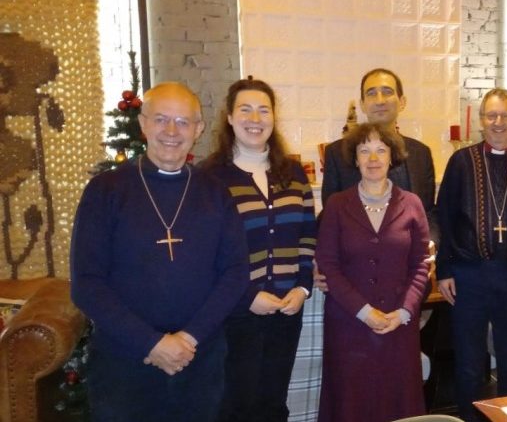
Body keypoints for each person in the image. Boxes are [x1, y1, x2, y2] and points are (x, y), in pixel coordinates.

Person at [70, 82, 249, 421]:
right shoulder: (105, 190)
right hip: (125, 362)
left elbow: (236, 273)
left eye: (183, 122)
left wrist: (188, 339)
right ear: (143, 124)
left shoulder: (215, 193)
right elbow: (87, 283)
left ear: (198, 130)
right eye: (161, 119)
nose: (171, 131)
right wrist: (151, 343)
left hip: (200, 358)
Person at [200, 77, 316, 422]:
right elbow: (205, 251)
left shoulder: (293, 173)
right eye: (245, 109)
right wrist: (246, 296)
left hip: (286, 311)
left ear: (273, 118)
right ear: (230, 118)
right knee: (235, 407)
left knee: (273, 405)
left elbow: (307, 235)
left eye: (264, 110)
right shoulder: (211, 177)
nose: (255, 118)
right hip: (234, 315)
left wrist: (302, 287)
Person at [436, 88, 507, 422]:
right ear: (482, 120)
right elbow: (444, 217)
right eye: (492, 116)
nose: (498, 123)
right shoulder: (461, 161)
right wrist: (444, 270)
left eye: (506, 116)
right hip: (469, 276)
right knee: (470, 365)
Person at [316, 122, 430, 422]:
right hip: (349, 325)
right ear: (354, 159)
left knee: (398, 402)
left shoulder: (412, 204)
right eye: (364, 151)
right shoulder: (337, 206)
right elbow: (327, 263)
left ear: (392, 157)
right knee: (352, 403)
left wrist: (404, 312)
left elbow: (421, 264)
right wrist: (364, 311)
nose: (373, 158)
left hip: (398, 325)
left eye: (381, 150)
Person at [320, 68, 436, 234]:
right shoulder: (336, 153)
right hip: (356, 255)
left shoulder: (421, 153)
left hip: (409, 254)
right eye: (371, 93)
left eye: (387, 92)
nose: (380, 101)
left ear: (402, 102)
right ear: (362, 104)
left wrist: (431, 242)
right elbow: (330, 216)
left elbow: (428, 212)